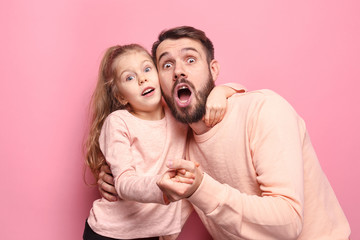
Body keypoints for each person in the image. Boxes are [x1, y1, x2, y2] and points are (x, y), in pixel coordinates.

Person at [99, 26, 351, 239]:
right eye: (166, 65)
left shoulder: (264, 110)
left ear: (214, 70)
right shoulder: (182, 142)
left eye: (190, 60)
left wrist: (201, 188)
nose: (178, 71)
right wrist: (115, 179)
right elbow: (149, 172)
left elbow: (288, 224)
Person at [84, 43, 243, 240]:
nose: (142, 79)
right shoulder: (118, 123)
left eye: (147, 69)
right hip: (111, 232)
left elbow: (241, 90)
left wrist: (222, 91)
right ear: (120, 96)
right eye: (130, 77)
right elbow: (123, 183)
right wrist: (162, 189)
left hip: (154, 234)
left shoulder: (178, 115)